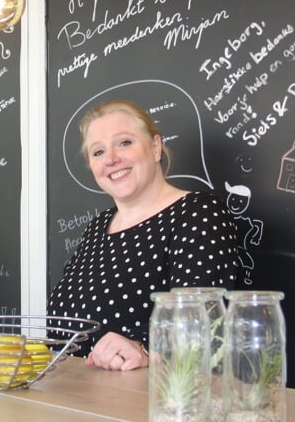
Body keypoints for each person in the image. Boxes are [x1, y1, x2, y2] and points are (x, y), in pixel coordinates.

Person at [48, 100, 238, 372]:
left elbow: (202, 328)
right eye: (98, 151)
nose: (111, 159)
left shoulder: (197, 213)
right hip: (70, 398)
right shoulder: (99, 226)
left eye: (124, 142)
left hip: (144, 403)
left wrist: (144, 351)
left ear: (155, 147)